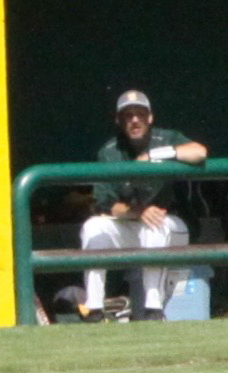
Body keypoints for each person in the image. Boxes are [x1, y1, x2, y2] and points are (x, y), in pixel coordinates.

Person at [78, 89, 211, 320]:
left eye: (140, 114)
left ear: (150, 117)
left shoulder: (166, 137)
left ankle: (153, 308)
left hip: (172, 226)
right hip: (133, 223)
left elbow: (199, 152)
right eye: (128, 116)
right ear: (119, 121)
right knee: (93, 226)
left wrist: (156, 155)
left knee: (156, 224)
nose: (135, 120)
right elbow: (105, 204)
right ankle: (94, 309)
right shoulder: (110, 151)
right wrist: (138, 212)